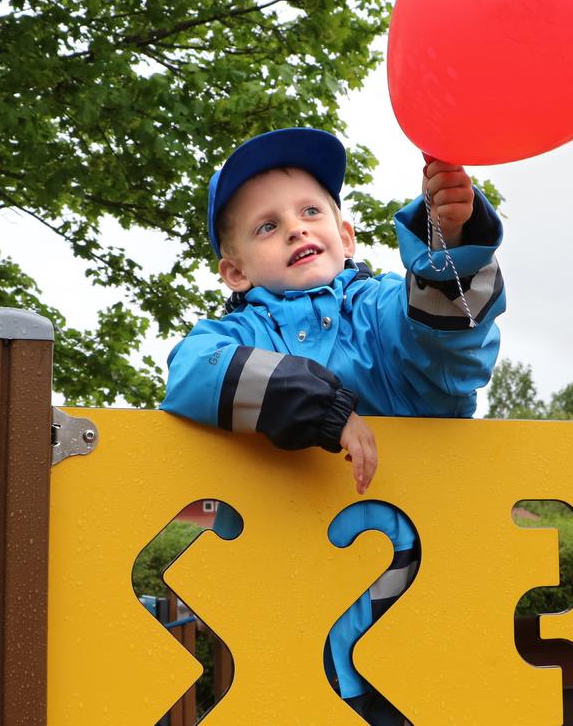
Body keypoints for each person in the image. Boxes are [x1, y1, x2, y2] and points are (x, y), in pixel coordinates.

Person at [161, 127, 505, 724]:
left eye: (310, 211)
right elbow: (190, 376)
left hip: (411, 598)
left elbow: (451, 349)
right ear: (235, 272)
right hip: (289, 613)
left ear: (344, 236)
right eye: (267, 226)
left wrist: (447, 244)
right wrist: (325, 408)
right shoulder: (236, 335)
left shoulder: (379, 311)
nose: (295, 227)